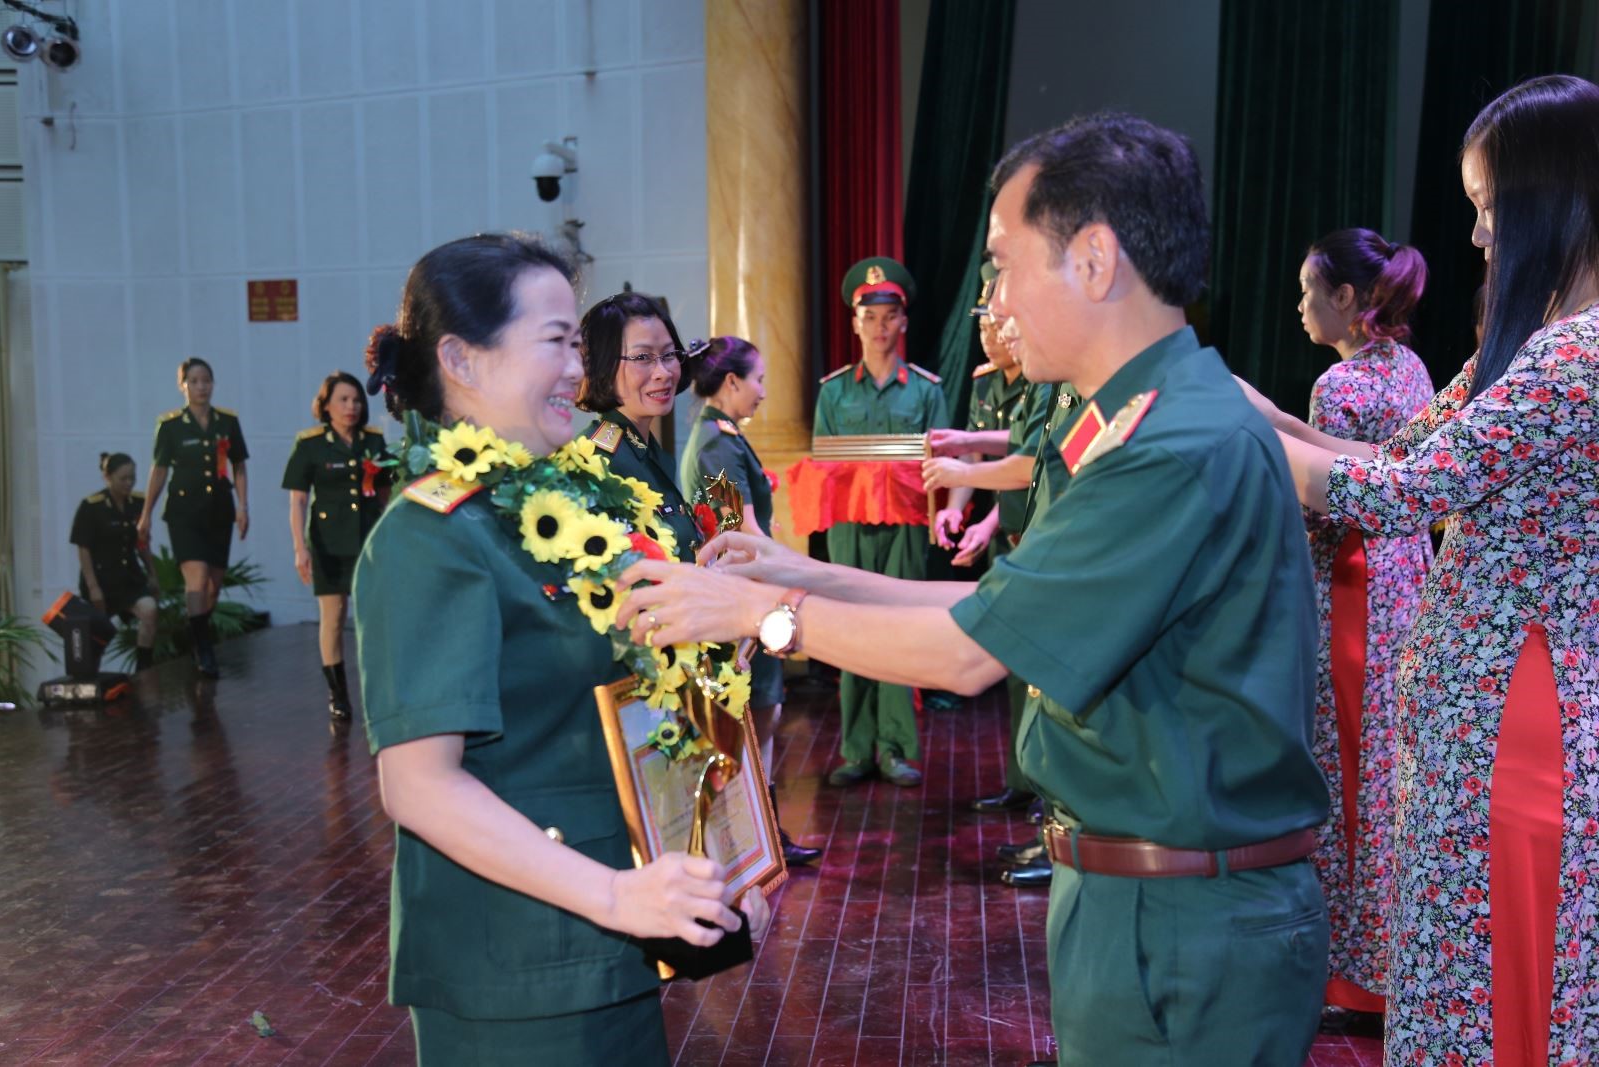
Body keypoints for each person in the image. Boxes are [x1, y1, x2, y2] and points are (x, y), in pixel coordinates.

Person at [618, 113, 1331, 1065]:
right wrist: (798, 569)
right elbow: (991, 613)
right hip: (1160, 899)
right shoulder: (1144, 420)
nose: (987, 299)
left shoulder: (1167, 447)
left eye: (1001, 264)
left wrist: (761, 615)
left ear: (1093, 258)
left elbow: (964, 654)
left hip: (1181, 919)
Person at [1243, 74, 1599, 1065]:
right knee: (1464, 954)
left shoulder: (1574, 359)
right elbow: (1398, 457)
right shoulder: (1531, 346)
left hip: (1514, 713)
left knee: (1495, 964)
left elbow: (1395, 495)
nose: (1479, 238)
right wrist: (1255, 411)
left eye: (1488, 210)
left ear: (1551, 200)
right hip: (1479, 705)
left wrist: (1213, 416)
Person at [354, 233, 769, 1066]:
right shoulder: (431, 536)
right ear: (462, 359)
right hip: (518, 973)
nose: (579, 372)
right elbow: (418, 785)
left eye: (577, 344)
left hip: (613, 949)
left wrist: (720, 867)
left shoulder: (561, 505)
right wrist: (615, 894)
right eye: (556, 341)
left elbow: (639, 708)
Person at [1293, 228, 1434, 1029]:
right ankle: (1389, 967)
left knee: (1347, 779)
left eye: (1310, 290)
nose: (1301, 305)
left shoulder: (1340, 386)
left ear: (1347, 300)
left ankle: (1351, 979)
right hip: (1406, 583)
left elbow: (1328, 504)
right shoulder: (1411, 369)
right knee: (1384, 780)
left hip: (1354, 589)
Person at [678, 336, 822, 869]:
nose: (764, 392)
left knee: (764, 717)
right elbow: (740, 533)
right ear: (732, 382)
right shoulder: (716, 443)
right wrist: (796, 585)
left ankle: (764, 836)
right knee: (749, 726)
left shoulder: (725, 435)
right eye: (758, 380)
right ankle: (749, 841)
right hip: (741, 604)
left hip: (749, 598)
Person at [812, 255, 949, 788]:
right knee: (850, 627)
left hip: (908, 525)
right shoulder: (834, 391)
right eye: (869, 317)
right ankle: (856, 749)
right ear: (854, 323)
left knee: (900, 627)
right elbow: (823, 467)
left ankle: (896, 748)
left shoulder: (926, 390)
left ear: (904, 322)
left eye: (889, 315)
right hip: (850, 524)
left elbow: (942, 464)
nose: (879, 327)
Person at [922, 269, 1048, 818]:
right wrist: (956, 512)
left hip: (1037, 537)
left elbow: (1030, 461)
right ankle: (1025, 780)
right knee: (1017, 671)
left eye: (1000, 323)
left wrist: (985, 522)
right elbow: (979, 464)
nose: (992, 334)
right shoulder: (986, 380)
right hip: (1013, 538)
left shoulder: (1050, 380)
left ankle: (1051, 796)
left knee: (1042, 672)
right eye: (986, 323)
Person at [282, 372, 391, 721]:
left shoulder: (372, 441)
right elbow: (298, 500)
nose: (352, 407)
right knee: (333, 618)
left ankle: (378, 689)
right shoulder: (310, 444)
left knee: (373, 618)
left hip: (368, 538)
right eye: (343, 400)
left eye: (357, 400)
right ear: (326, 405)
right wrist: (300, 547)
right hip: (328, 542)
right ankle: (338, 693)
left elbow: (386, 493)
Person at [136, 358, 249, 678]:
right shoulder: (170, 425)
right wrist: (146, 514)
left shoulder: (227, 422)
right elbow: (159, 470)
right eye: (195, 381)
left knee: (212, 586)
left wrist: (243, 506)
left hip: (219, 509)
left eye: (207, 380)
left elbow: (239, 465)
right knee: (196, 580)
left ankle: (196, 632)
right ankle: (204, 649)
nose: (202, 387)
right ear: (183, 385)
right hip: (185, 513)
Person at [576, 292, 700, 563]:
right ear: (602, 366)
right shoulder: (596, 461)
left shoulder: (642, 448)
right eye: (643, 357)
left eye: (669, 355)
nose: (663, 372)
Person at [71, 453, 161, 671]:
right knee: (97, 633)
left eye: (132, 478)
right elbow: (84, 548)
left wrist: (152, 574)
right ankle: (90, 675)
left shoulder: (138, 503)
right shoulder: (91, 506)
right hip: (101, 578)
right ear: (107, 477)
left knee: (149, 610)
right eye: (123, 478)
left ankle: (144, 668)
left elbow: (142, 543)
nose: (129, 483)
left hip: (129, 577)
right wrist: (93, 587)